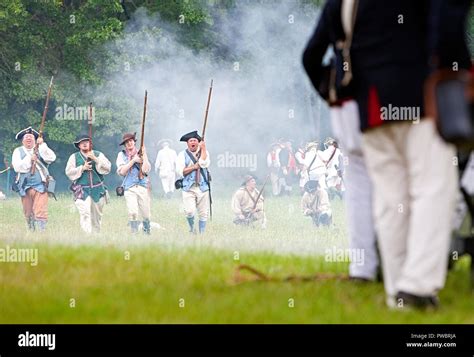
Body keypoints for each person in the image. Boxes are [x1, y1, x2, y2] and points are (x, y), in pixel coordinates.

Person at [302, 0, 380, 283]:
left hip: (346, 103)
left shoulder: (341, 4)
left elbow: (310, 56)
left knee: (359, 184)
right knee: (395, 183)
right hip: (393, 100)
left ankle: (362, 270)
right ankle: (405, 276)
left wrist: (331, 92)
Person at [11, 127, 56, 231]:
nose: (29, 139)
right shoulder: (17, 151)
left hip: (41, 185)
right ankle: (31, 231)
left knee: (40, 210)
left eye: (31, 137)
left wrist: (43, 145)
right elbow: (18, 167)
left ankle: (42, 232)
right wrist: (29, 159)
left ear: (35, 140)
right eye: (26, 137)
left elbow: (51, 158)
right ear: (22, 140)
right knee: (28, 212)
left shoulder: (41, 149)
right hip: (24, 186)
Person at [65, 135, 111, 234]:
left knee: (96, 217)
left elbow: (108, 168)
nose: (85, 143)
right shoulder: (74, 157)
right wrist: (82, 168)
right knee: (85, 213)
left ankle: (95, 237)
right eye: (82, 142)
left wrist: (95, 159)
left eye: (87, 141)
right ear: (79, 145)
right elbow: (69, 172)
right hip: (82, 190)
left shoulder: (98, 154)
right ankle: (87, 235)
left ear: (90, 144)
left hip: (97, 190)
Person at [116, 132, 152, 234]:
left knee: (146, 214)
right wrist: (133, 160)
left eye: (131, 141)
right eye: (126, 142)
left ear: (134, 142)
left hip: (142, 186)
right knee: (133, 212)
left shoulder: (142, 153)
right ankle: (134, 234)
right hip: (129, 187)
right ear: (124, 145)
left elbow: (146, 170)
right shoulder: (121, 155)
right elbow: (122, 172)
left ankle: (147, 232)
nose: (129, 143)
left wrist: (144, 156)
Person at [176, 130, 211, 234]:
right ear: (187, 143)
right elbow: (181, 171)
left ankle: (202, 234)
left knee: (203, 213)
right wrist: (194, 167)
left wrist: (204, 148)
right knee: (190, 211)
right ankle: (192, 228)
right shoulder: (182, 155)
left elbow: (204, 163)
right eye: (191, 140)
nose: (193, 142)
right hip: (188, 188)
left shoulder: (204, 153)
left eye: (195, 140)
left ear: (198, 142)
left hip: (202, 186)